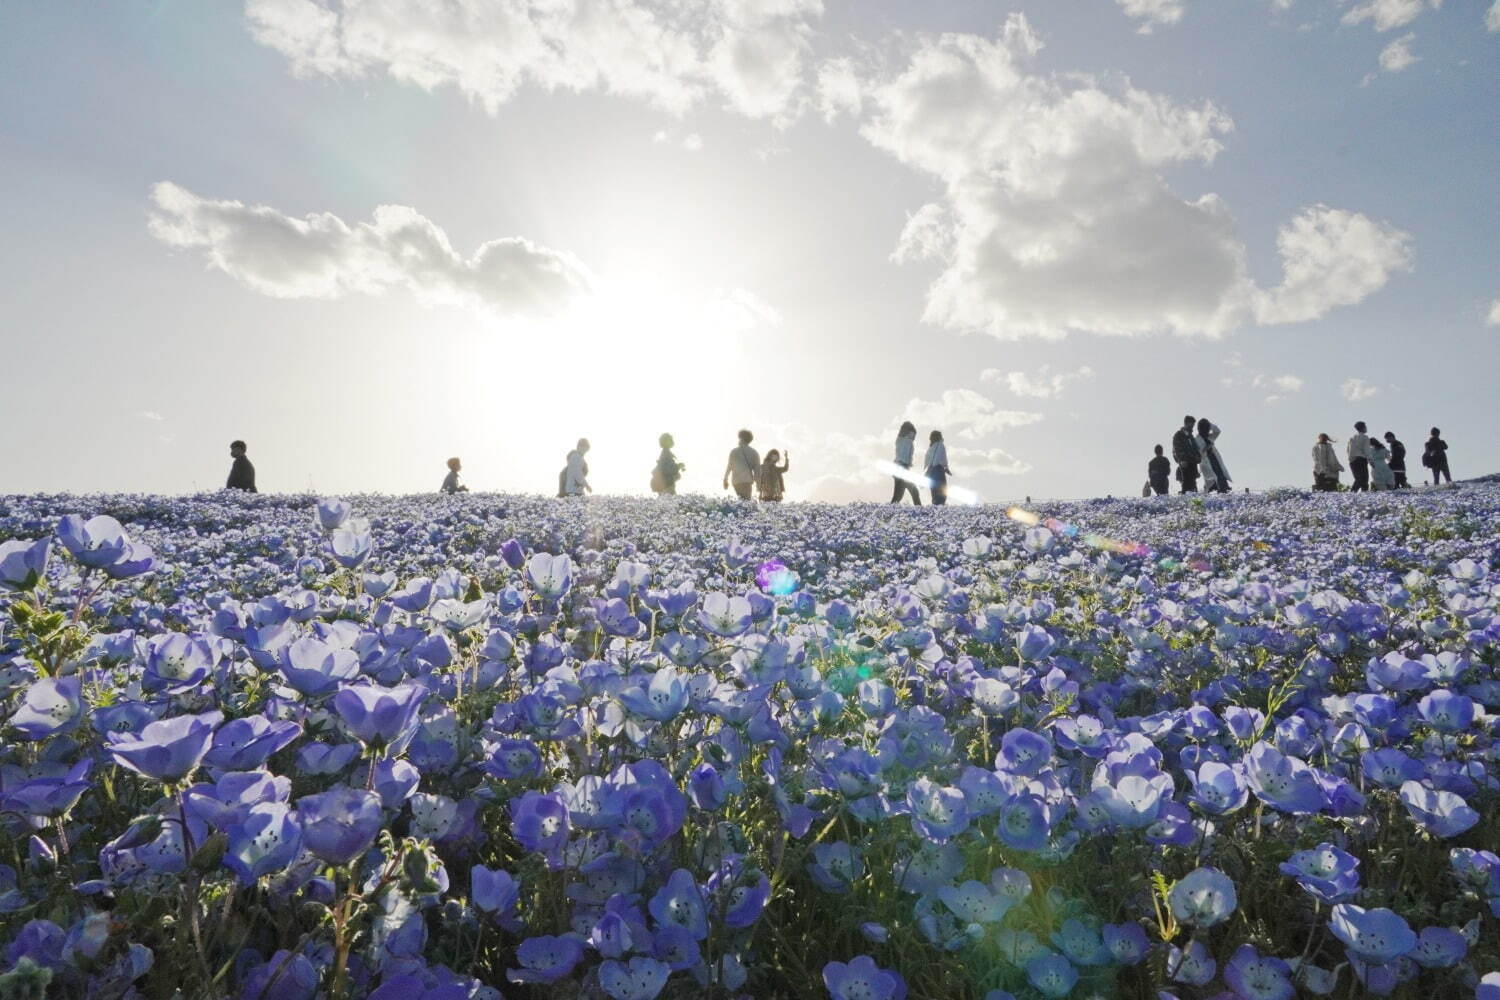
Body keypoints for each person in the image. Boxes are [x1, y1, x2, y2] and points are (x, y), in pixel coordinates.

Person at [722, 430, 761, 500]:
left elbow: (729, 466)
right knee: (746, 502)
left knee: (741, 501)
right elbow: (757, 470)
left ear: (741, 439)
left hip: (736, 481)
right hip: (747, 481)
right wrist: (758, 484)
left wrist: (725, 479)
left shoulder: (734, 451)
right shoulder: (754, 452)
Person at [1196, 418, 1231, 493]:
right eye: (1206, 428)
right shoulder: (1196, 440)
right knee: (1212, 482)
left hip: (1215, 459)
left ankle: (1223, 489)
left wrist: (1210, 424)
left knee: (1221, 476)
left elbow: (1217, 431)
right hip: (1206, 462)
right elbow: (1199, 454)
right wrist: (1206, 448)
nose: (1208, 431)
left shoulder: (1209, 437)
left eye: (1208, 429)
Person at [891, 421, 921, 505]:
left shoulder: (900, 440)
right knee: (912, 491)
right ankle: (920, 510)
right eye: (913, 434)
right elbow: (904, 457)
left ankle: (889, 511)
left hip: (899, 468)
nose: (914, 436)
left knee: (898, 495)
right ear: (908, 432)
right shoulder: (906, 441)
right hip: (901, 468)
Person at [1171, 416, 1200, 494]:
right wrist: (1182, 459)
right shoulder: (1178, 435)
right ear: (1186, 423)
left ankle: (1194, 501)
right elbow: (1176, 448)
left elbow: (1196, 448)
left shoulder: (1191, 436)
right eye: (1191, 425)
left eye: (1193, 425)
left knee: (1193, 483)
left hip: (1193, 462)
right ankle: (1185, 499)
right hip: (1185, 463)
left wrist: (1198, 457)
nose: (1192, 427)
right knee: (1187, 482)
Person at [924, 430, 951, 506]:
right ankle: (939, 507)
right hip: (938, 469)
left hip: (931, 471)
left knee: (934, 490)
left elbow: (926, 461)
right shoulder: (940, 445)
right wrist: (945, 467)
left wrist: (926, 471)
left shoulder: (930, 448)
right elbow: (939, 458)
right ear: (939, 437)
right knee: (942, 490)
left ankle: (935, 507)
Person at [1347, 421, 1371, 493]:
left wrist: (1350, 459)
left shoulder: (1352, 438)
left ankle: (1353, 493)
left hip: (1353, 460)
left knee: (1358, 478)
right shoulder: (1365, 437)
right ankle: (1361, 494)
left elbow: (1348, 450)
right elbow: (1367, 450)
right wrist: (1370, 460)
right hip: (1361, 459)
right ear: (1363, 428)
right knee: (1364, 479)